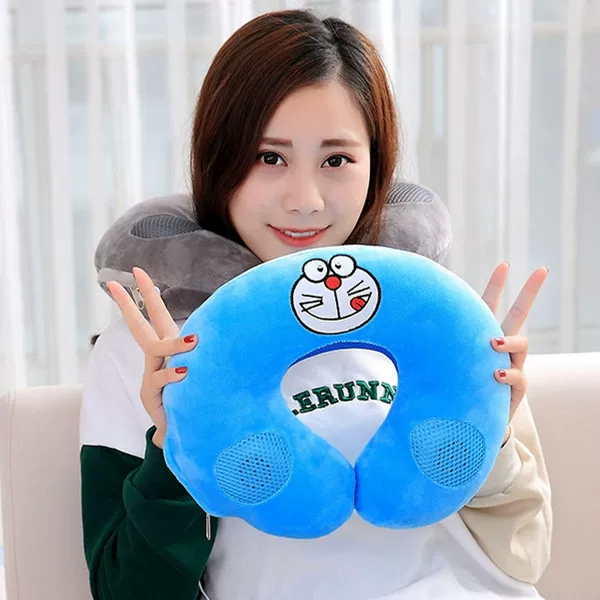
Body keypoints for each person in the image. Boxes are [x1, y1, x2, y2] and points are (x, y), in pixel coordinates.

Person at [80, 9, 551, 600]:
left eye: (336, 160)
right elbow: (124, 590)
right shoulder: (150, 349)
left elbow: (526, 556)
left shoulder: (433, 321)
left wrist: (490, 432)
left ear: (376, 165)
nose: (304, 200)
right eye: (269, 157)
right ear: (217, 159)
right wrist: (171, 450)